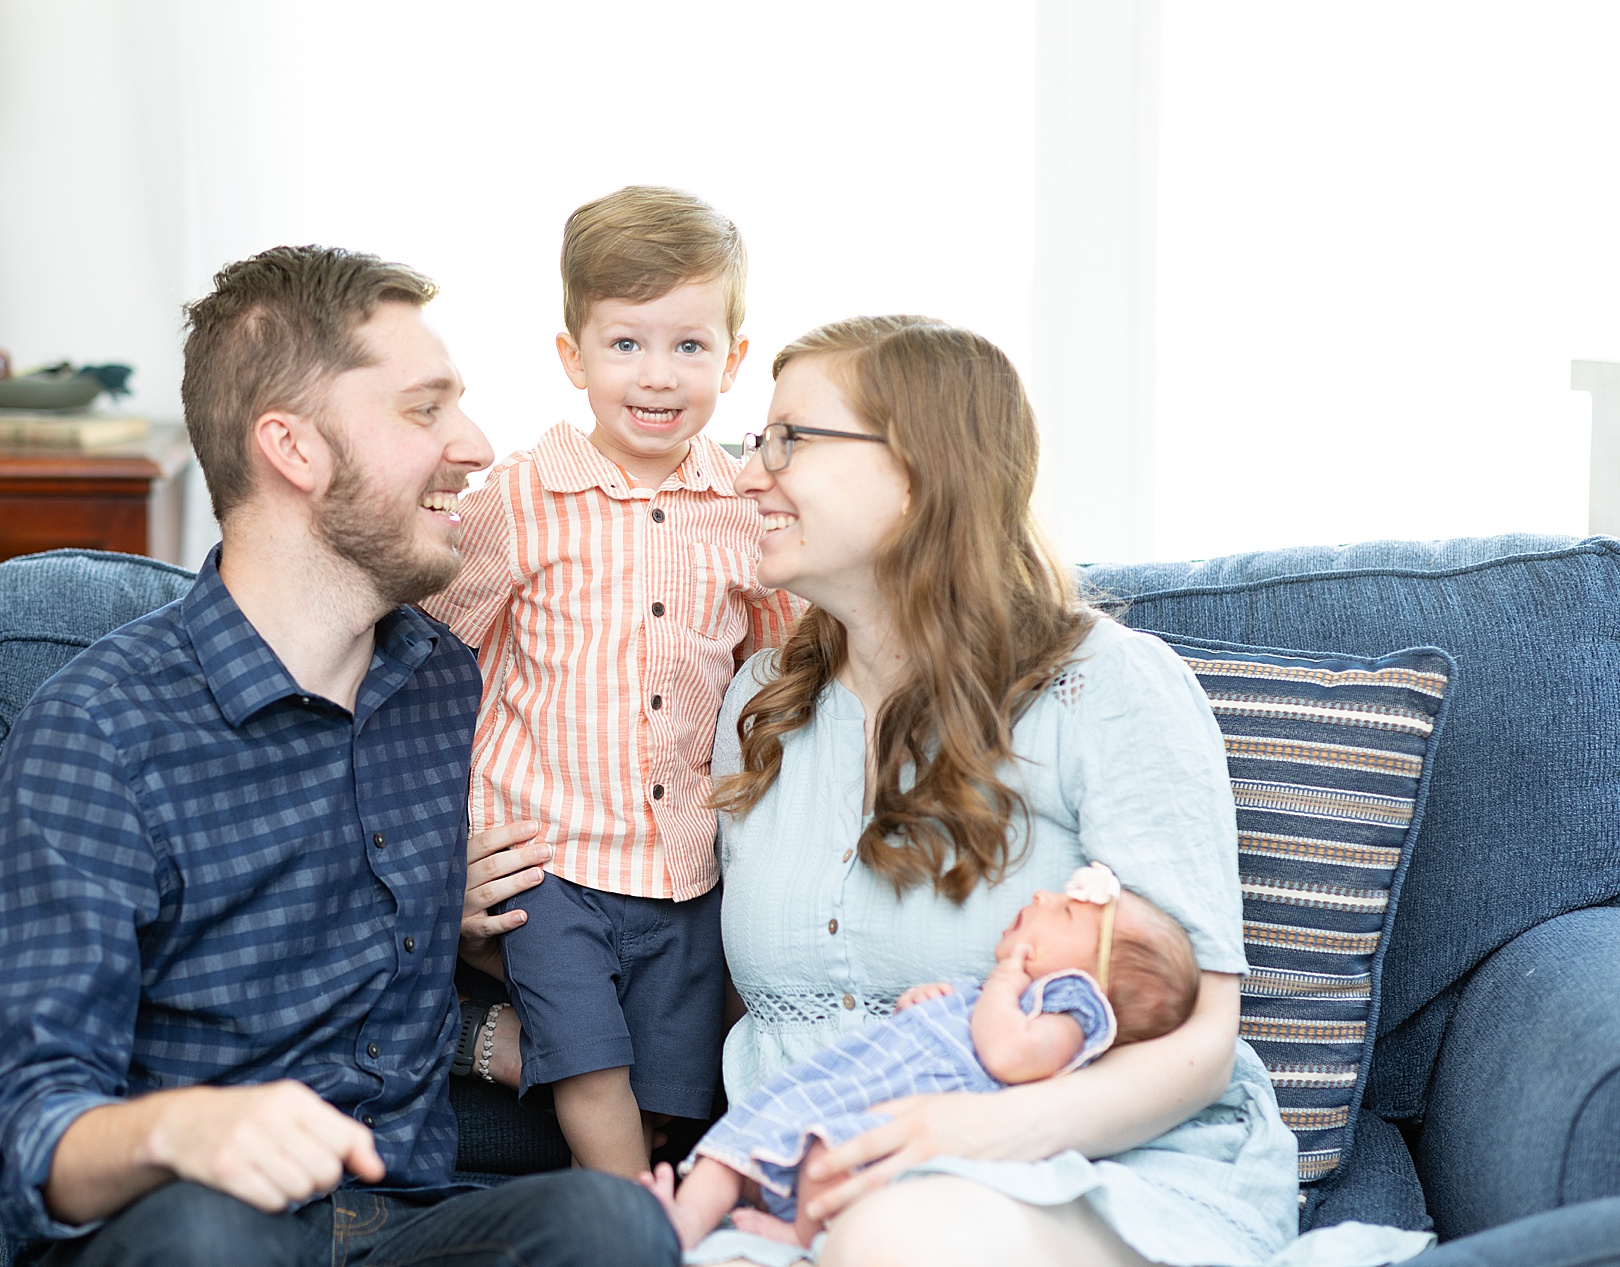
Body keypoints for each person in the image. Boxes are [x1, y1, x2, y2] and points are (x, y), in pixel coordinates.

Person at [0, 245, 679, 1267]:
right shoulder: (102, 727)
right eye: (423, 410)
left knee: (611, 1224)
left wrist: (464, 941)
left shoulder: (454, 686)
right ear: (293, 450)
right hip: (192, 1228)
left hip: (409, 1222)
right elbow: (19, 1125)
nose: (473, 444)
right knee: (214, 1238)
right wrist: (185, 1127)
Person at [677, 315, 1436, 1266]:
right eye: (759, 439)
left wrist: (964, 1137)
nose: (750, 471)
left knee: (897, 1237)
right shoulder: (761, 701)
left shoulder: (1107, 687)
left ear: (921, 471)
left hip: (1093, 1169)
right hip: (801, 1199)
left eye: (792, 438)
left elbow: (1198, 1044)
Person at [421, 187, 798, 1177]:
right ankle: (635, 1221)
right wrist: (440, 832)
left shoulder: (743, 511)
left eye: (688, 347)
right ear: (573, 357)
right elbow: (426, 651)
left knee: (670, 1094)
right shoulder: (518, 498)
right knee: (592, 1077)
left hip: (682, 865)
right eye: (626, 345)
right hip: (542, 853)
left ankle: (550, 1082)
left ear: (733, 358)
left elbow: (779, 667)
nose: (658, 376)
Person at [645, 865, 1200, 1251]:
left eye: (1065, 913)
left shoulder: (1069, 1015)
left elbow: (1006, 1055)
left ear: (1095, 980)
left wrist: (1004, 980)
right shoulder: (1002, 997)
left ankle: (804, 1237)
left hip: (891, 1116)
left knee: (827, 1160)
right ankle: (683, 1223)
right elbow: (957, 1027)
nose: (1040, 898)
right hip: (849, 1082)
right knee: (751, 1130)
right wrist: (929, 1003)